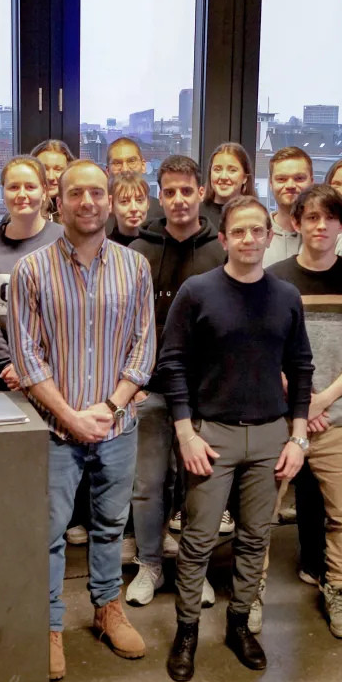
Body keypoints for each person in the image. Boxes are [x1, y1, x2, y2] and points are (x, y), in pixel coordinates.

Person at [154, 195, 314, 681]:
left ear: (270, 235)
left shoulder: (285, 296)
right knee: (198, 540)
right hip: (211, 435)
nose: (248, 239)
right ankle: (186, 630)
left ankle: (239, 624)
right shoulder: (197, 292)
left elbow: (301, 366)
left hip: (270, 435)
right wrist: (185, 432)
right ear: (222, 238)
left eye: (257, 231)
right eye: (238, 231)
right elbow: (172, 363)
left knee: (255, 538)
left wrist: (298, 437)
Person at [8, 159, 156, 681]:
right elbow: (26, 358)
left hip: (117, 426)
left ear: (110, 201)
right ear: (58, 200)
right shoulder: (30, 272)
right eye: (77, 193)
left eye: (97, 193)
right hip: (54, 429)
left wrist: (111, 407)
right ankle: (49, 625)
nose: (88, 202)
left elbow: (144, 349)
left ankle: (106, 609)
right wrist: (71, 417)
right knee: (47, 532)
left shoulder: (135, 268)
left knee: (110, 525)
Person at [267, 185, 342, 639]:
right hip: (279, 421)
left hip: (338, 420)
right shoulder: (274, 279)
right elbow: (266, 348)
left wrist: (322, 400)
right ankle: (251, 595)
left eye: (328, 218)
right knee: (261, 514)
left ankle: (337, 590)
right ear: (296, 223)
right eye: (310, 218)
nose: (319, 227)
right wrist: (300, 402)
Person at [123, 155, 226, 608]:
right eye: (170, 192)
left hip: (205, 395)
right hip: (149, 390)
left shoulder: (219, 251)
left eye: (188, 190)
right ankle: (149, 563)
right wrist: (131, 382)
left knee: (197, 487)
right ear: (158, 196)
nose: (180, 199)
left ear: (201, 192)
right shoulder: (136, 252)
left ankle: (191, 567)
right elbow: (121, 323)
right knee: (146, 484)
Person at [0, 156, 64, 392]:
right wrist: (9, 364)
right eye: (13, 187)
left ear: (44, 192)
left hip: (53, 369)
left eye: (30, 186)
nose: (21, 194)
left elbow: (70, 313)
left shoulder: (64, 240)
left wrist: (29, 367)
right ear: (3, 192)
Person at [261, 146, 342, 266]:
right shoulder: (256, 234)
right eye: (281, 179)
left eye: (299, 178)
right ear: (270, 183)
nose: (290, 185)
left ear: (311, 181)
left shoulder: (335, 237)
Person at [105, 136, 163, 238]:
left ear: (144, 166)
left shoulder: (162, 214)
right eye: (117, 163)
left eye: (131, 161)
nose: (125, 169)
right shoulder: (97, 217)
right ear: (107, 171)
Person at [200, 142, 255, 228]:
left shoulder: (256, 216)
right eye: (217, 170)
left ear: (245, 177)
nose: (223, 177)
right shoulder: (196, 215)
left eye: (232, 170)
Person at [32, 139, 76, 224]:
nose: (51, 177)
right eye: (44, 169)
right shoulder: (18, 218)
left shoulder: (80, 214)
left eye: (58, 169)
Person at [108, 172, 151, 247]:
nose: (133, 208)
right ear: (111, 205)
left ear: (148, 203)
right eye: (124, 201)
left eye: (139, 200)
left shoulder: (159, 247)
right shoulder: (104, 250)